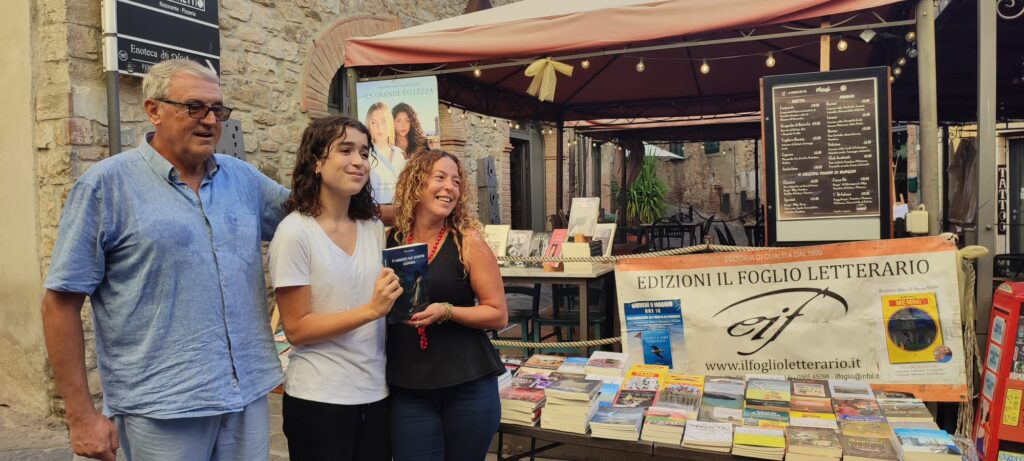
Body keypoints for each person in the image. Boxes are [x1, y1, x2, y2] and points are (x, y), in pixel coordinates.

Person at [40, 59, 290, 461]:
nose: (211, 120)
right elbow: (59, 303)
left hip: (246, 393)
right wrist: (81, 416)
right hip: (161, 407)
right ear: (153, 110)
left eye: (218, 109)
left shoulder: (243, 179)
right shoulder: (105, 186)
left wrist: (396, 211)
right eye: (195, 107)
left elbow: (316, 213)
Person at [268, 115, 402, 461]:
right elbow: (297, 329)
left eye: (364, 153)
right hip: (320, 399)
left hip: (376, 393)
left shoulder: (372, 228)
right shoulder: (295, 233)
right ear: (316, 161)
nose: (358, 161)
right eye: (345, 150)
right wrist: (371, 310)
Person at [386, 149, 509, 461]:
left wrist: (447, 311)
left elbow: (498, 314)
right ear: (416, 184)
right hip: (408, 387)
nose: (449, 187)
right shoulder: (390, 240)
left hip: (468, 386)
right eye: (439, 178)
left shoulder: (468, 241)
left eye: (456, 181)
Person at [366, 101, 406, 204]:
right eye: (374, 123)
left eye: (384, 122)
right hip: (373, 211)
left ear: (390, 123)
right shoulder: (365, 155)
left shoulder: (399, 154)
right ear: (369, 126)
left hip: (397, 211)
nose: (379, 128)